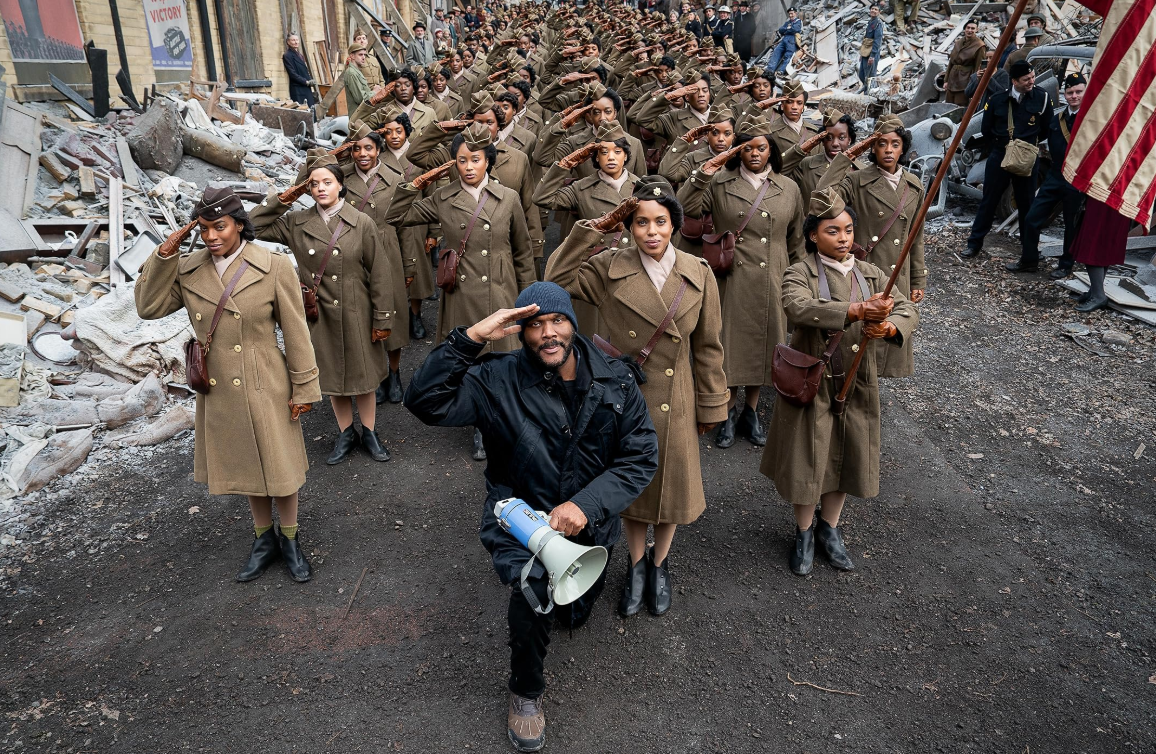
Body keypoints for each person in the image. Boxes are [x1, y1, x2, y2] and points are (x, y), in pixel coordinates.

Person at [404, 285, 657, 754]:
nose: (547, 334)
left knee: (572, 614)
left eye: (556, 322)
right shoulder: (494, 379)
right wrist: (471, 337)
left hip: (587, 523)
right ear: (520, 332)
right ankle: (525, 692)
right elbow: (425, 402)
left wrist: (587, 505)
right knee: (533, 592)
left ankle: (567, 598)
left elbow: (639, 457)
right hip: (518, 515)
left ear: (573, 325)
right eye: (535, 325)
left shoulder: (616, 379)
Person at [546, 175, 729, 619]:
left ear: (674, 226)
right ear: (629, 226)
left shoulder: (698, 272)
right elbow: (555, 280)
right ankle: (634, 563)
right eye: (641, 222)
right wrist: (592, 230)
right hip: (624, 396)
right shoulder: (609, 267)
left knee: (672, 486)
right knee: (631, 486)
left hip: (677, 394)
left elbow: (708, 347)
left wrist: (712, 403)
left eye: (661, 222)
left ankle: (659, 564)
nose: (651, 231)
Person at [135, 188, 320, 583]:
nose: (211, 237)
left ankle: (289, 538)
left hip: (266, 377)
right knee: (247, 464)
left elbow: (296, 331)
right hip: (219, 384)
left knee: (280, 464)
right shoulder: (189, 268)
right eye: (203, 229)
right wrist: (165, 254)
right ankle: (263, 539)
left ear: (239, 223)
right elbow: (147, 307)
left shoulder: (274, 264)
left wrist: (303, 388)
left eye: (219, 227)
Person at [761, 187, 919, 575]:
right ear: (814, 235)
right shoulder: (800, 271)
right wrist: (854, 310)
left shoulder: (870, 272)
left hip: (858, 379)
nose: (844, 238)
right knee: (808, 456)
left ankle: (829, 528)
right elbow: (796, 307)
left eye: (848, 230)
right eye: (833, 231)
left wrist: (890, 327)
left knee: (847, 451)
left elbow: (905, 306)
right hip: (813, 379)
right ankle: (803, 531)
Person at [385, 122, 536, 460]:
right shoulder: (442, 197)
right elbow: (396, 216)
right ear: (454, 163)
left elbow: (523, 253)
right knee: (472, 361)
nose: (469, 167)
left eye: (476, 160)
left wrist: (528, 301)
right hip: (461, 294)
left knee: (507, 360)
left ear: (488, 162)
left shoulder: (508, 198)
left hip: (501, 290)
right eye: (462, 160)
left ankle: (509, 422)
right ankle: (482, 425)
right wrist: (416, 184)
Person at [250, 156, 397, 465]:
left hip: (358, 308)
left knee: (364, 374)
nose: (320, 188)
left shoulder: (361, 222)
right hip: (318, 312)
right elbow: (252, 225)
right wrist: (284, 197)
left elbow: (381, 273)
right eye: (313, 184)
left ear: (341, 185)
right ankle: (346, 432)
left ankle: (369, 432)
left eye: (327, 182)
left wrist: (383, 317)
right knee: (332, 373)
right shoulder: (297, 222)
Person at [677, 113, 805, 447]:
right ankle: (728, 411)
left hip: (772, 278)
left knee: (764, 346)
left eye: (761, 148)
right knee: (729, 344)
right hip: (731, 277)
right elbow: (685, 205)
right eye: (746, 148)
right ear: (737, 151)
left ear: (770, 150)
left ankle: (751, 411)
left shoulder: (788, 188)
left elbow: (797, 240)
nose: (754, 154)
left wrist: (798, 279)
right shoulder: (719, 183)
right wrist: (709, 168)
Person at [816, 115, 927, 378]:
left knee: (886, 329)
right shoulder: (857, 181)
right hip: (865, 271)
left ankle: (871, 390)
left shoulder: (914, 186)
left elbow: (916, 235)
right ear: (872, 148)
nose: (888, 150)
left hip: (896, 272)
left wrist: (917, 279)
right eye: (882, 144)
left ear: (903, 148)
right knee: (858, 334)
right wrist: (847, 157)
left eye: (895, 144)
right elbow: (822, 197)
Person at [341, 122, 415, 404]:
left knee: (393, 313)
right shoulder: (342, 179)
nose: (362, 154)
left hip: (388, 251)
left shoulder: (395, 178)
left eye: (368, 148)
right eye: (356, 149)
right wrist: (337, 154)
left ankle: (394, 372)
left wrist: (409, 264)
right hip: (353, 251)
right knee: (364, 313)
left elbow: (405, 225)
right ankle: (377, 375)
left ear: (378, 150)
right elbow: (306, 180)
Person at [963, 60, 1051, 259]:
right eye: (1026, 79)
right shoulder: (997, 99)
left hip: (1027, 158)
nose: (1031, 82)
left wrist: (1025, 145)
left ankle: (1029, 252)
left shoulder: (1042, 97)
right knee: (989, 201)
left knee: (1027, 204)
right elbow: (986, 129)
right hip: (1000, 156)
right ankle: (974, 245)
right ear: (1014, 81)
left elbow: (1045, 128)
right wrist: (1002, 147)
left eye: (1032, 77)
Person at [1006, 72, 1086, 279]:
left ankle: (1065, 265)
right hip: (1055, 176)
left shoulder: (1091, 120)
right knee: (1032, 218)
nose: (1074, 96)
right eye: (1070, 92)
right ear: (1064, 94)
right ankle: (1029, 260)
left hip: (1077, 178)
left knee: (1071, 224)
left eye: (1079, 92)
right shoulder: (1058, 118)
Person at [780, 109, 860, 222]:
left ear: (849, 139)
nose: (835, 143)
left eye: (841, 138)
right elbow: (777, 172)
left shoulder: (860, 170)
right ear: (821, 140)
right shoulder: (806, 165)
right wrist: (801, 150)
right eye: (829, 138)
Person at [767, 79, 820, 157]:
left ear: (803, 106)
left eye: (799, 103)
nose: (794, 107)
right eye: (790, 102)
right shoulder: (771, 132)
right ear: (782, 105)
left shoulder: (814, 131)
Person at [943, 20, 985, 107]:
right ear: (964, 29)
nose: (970, 30)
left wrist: (973, 85)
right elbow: (951, 62)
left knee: (960, 106)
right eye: (968, 28)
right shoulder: (958, 42)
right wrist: (946, 80)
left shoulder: (979, 46)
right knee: (948, 105)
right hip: (952, 79)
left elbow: (978, 67)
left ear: (976, 30)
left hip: (965, 81)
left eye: (972, 28)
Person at [283, 34, 316, 107]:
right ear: (288, 42)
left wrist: (310, 79)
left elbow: (304, 70)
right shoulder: (287, 55)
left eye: (297, 40)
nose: (296, 42)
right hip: (297, 88)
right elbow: (292, 74)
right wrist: (305, 81)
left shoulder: (299, 55)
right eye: (293, 40)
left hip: (305, 87)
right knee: (302, 110)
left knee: (311, 110)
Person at [766, 7, 802, 76]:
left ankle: (781, 71)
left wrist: (787, 29)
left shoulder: (798, 21)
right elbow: (780, 30)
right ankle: (770, 69)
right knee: (776, 51)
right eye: (789, 14)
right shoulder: (788, 22)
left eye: (792, 13)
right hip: (784, 39)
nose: (790, 15)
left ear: (796, 13)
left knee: (788, 55)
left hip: (792, 40)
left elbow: (795, 29)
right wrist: (788, 29)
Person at [859, 5, 884, 88]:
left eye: (876, 9)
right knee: (862, 75)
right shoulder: (870, 22)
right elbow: (866, 39)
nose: (873, 10)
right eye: (872, 9)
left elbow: (877, 41)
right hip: (865, 53)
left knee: (870, 77)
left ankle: (870, 95)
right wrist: (861, 54)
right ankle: (867, 90)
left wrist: (872, 56)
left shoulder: (878, 24)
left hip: (871, 54)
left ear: (879, 12)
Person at [343, 43, 372, 114]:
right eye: (360, 55)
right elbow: (360, 99)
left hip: (363, 114)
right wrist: (375, 92)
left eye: (364, 55)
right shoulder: (351, 73)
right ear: (352, 56)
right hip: (358, 117)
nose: (363, 57)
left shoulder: (357, 71)